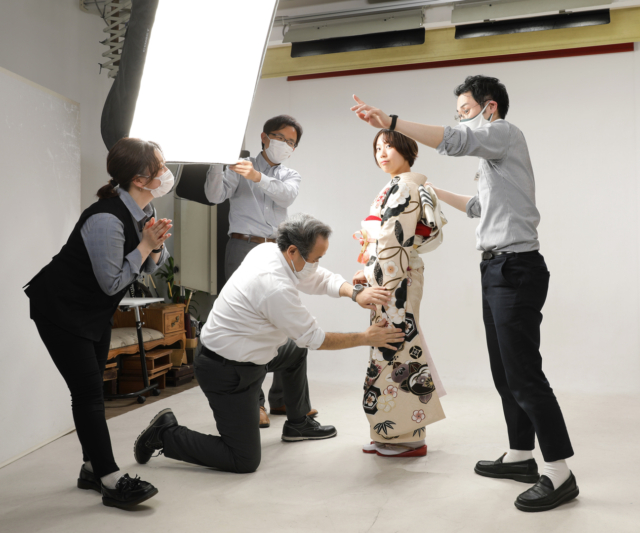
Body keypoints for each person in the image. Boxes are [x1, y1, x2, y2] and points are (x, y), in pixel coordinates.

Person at [350, 76, 578, 512]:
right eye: (458, 113)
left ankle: (560, 472)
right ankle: (521, 456)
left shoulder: (505, 134)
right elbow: (479, 208)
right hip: (496, 267)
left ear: (489, 108)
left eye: (465, 110)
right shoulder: (494, 162)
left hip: (516, 268)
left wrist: (392, 120)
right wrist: (432, 191)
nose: (459, 119)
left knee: (526, 375)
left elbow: (453, 141)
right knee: (505, 373)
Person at [133, 213, 403, 474]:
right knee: (243, 459)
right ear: (294, 251)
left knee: (293, 351)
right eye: (316, 257)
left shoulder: (270, 251)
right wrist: (366, 337)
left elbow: (315, 277)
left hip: (248, 353)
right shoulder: (274, 287)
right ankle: (164, 434)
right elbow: (314, 338)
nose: (318, 263)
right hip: (226, 369)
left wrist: (354, 293)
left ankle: (298, 423)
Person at [24, 138, 173, 509]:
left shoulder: (145, 208)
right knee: (90, 392)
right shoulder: (106, 218)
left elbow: (153, 266)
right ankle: (110, 478)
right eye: (161, 164)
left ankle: (91, 468)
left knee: (91, 391)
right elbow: (113, 281)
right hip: (60, 309)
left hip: (93, 310)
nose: (167, 170)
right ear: (140, 178)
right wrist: (144, 245)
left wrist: (153, 244)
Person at [204, 114, 313, 429]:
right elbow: (214, 196)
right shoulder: (238, 165)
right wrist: (217, 162)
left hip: (279, 250)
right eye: (280, 138)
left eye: (291, 142)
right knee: (247, 325)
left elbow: (286, 195)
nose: (285, 145)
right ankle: (256, 404)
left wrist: (256, 177)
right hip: (242, 246)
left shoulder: (289, 174)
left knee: (285, 318)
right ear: (264, 137)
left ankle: (285, 399)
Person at [353, 130, 447, 458]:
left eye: (389, 145)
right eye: (377, 147)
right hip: (393, 274)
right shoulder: (399, 185)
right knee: (391, 346)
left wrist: (369, 273)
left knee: (396, 346)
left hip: (397, 277)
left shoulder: (405, 187)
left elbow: (394, 243)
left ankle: (406, 438)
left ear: (407, 148)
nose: (382, 152)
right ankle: (388, 434)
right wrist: (368, 268)